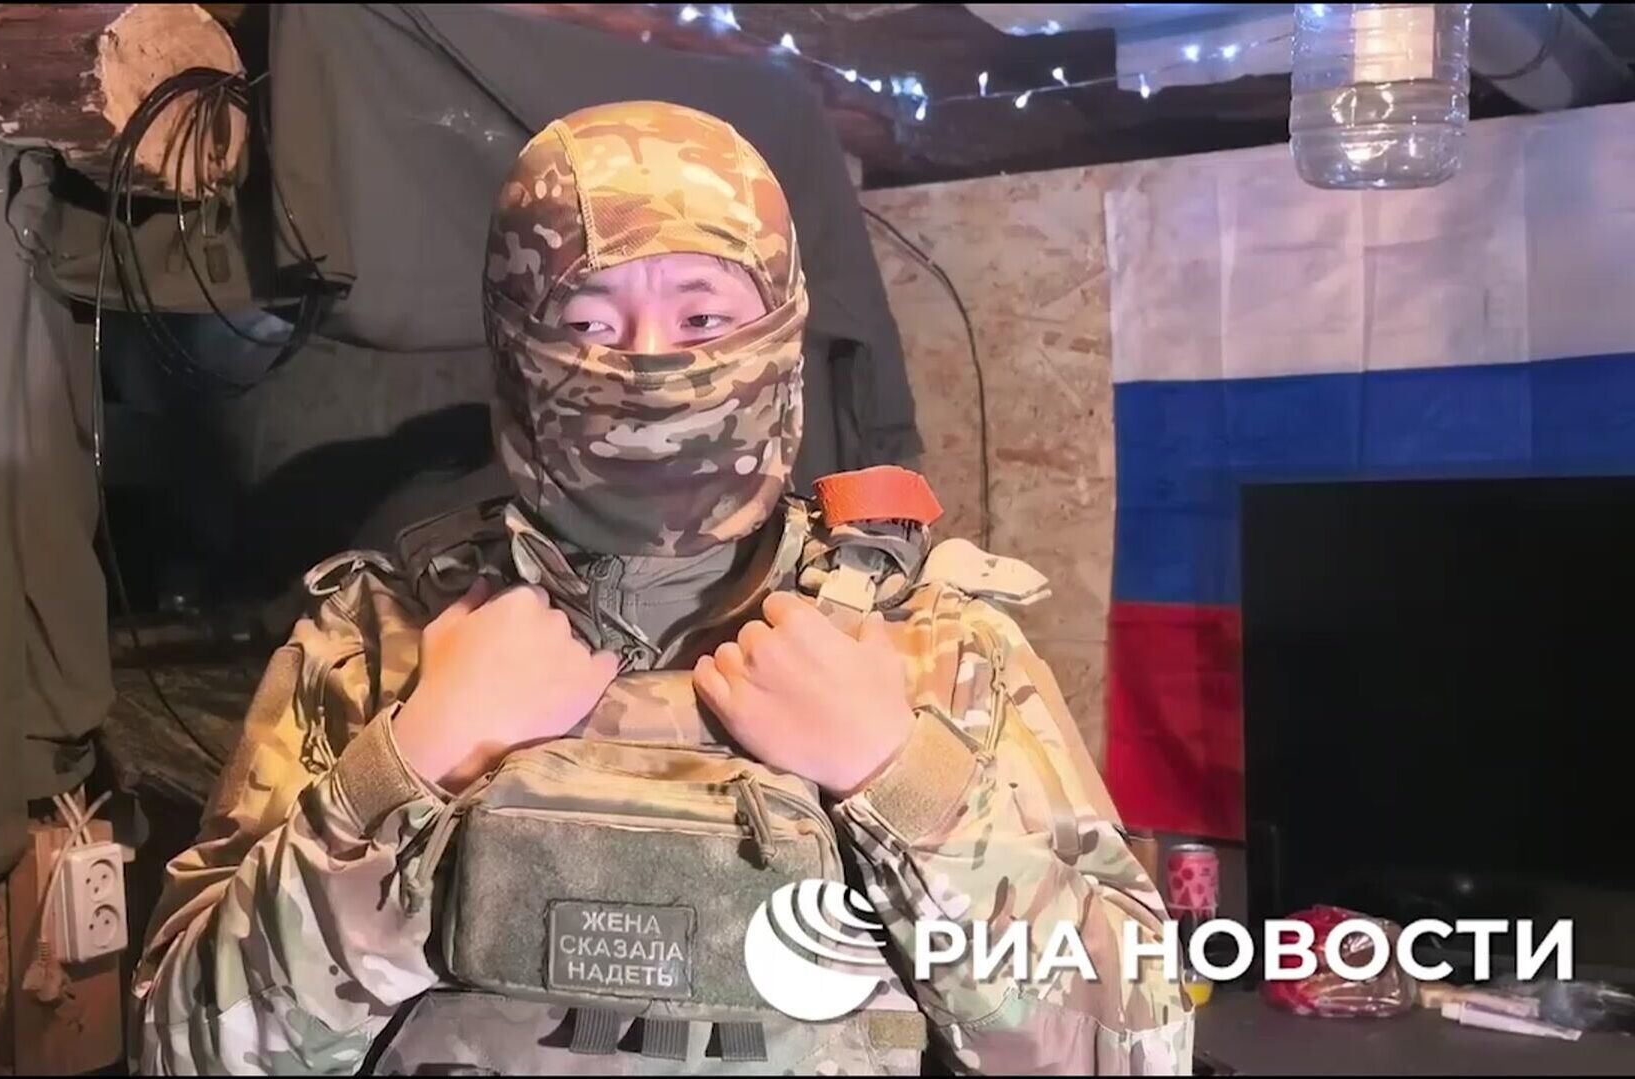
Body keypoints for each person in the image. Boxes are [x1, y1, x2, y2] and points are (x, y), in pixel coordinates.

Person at [130, 100, 1191, 1075]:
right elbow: (182, 1049)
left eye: (701, 321)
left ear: (779, 331)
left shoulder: (930, 648)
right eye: (588, 323)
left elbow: (1139, 1047)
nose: (645, 366)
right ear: (513, 342)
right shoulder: (380, 641)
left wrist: (904, 780)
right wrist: (410, 762)